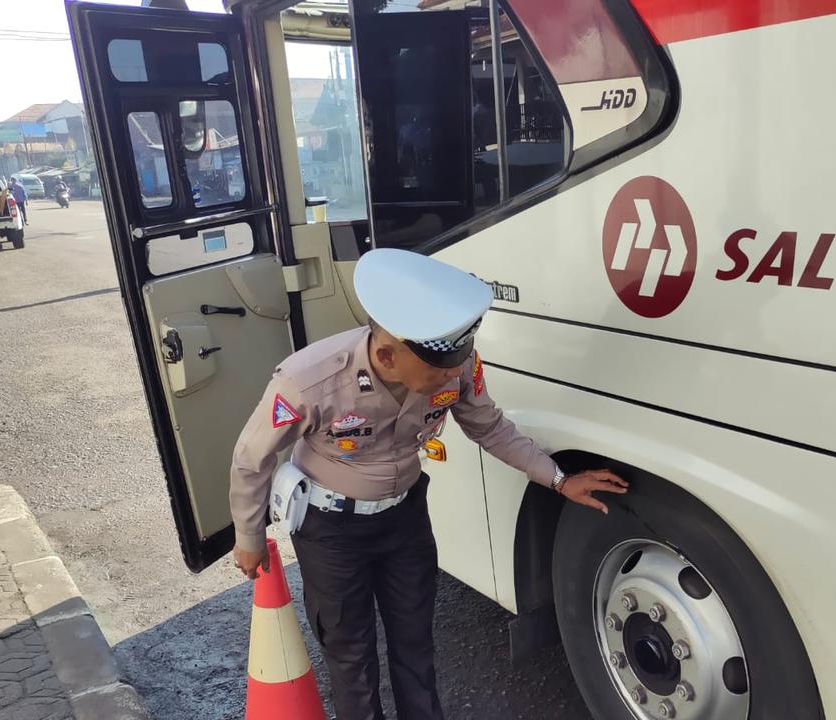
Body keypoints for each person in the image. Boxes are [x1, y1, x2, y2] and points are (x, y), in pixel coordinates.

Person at [229, 248, 628, 720]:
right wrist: (249, 536)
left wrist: (559, 480)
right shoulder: (309, 381)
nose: (452, 376)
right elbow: (251, 457)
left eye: (454, 365)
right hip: (331, 531)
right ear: (386, 356)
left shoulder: (452, 364)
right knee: (351, 656)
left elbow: (490, 427)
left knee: (415, 644)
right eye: (440, 371)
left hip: (404, 520)